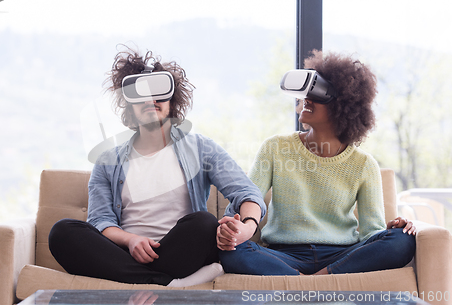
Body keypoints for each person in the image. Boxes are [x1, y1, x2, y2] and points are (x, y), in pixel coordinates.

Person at [48, 47, 266, 287]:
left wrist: (246, 229)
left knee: (204, 223)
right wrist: (131, 240)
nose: (150, 101)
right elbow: (100, 220)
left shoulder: (201, 148)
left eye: (159, 94)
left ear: (173, 103)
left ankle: (140, 280)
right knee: (62, 232)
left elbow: (247, 192)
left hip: (180, 253)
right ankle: (168, 284)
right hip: (123, 254)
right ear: (129, 104)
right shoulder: (107, 160)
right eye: (140, 95)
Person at [217, 50, 416, 276]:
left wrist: (393, 229)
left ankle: (312, 280)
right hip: (283, 255)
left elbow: (371, 233)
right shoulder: (275, 147)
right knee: (231, 249)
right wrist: (239, 228)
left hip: (341, 254)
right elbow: (249, 195)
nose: (306, 99)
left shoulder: (364, 164)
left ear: (345, 106)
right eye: (306, 93)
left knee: (402, 240)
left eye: (319, 93)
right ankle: (314, 283)